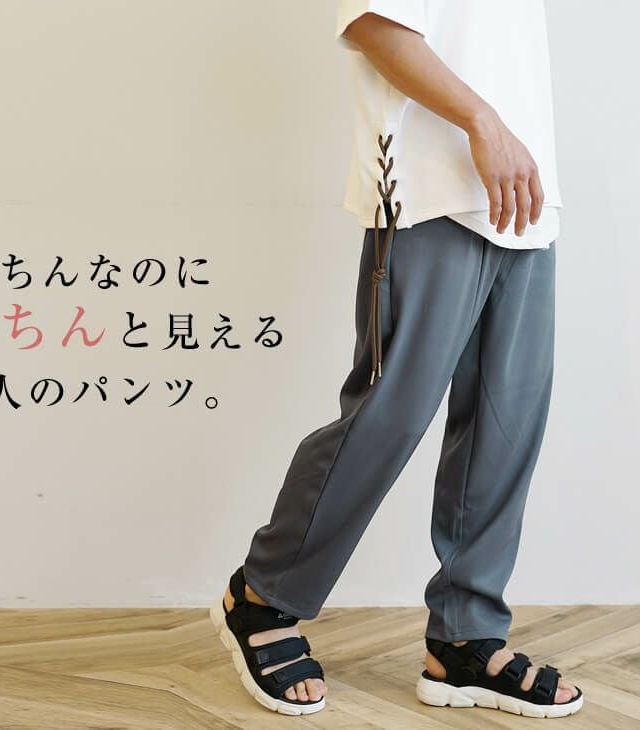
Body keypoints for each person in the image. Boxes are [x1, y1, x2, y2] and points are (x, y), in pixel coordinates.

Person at [209, 0, 584, 718]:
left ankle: (465, 639)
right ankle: (262, 596)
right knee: (388, 413)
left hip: (524, 199)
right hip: (427, 191)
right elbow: (372, 23)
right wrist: (485, 123)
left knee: (506, 427)